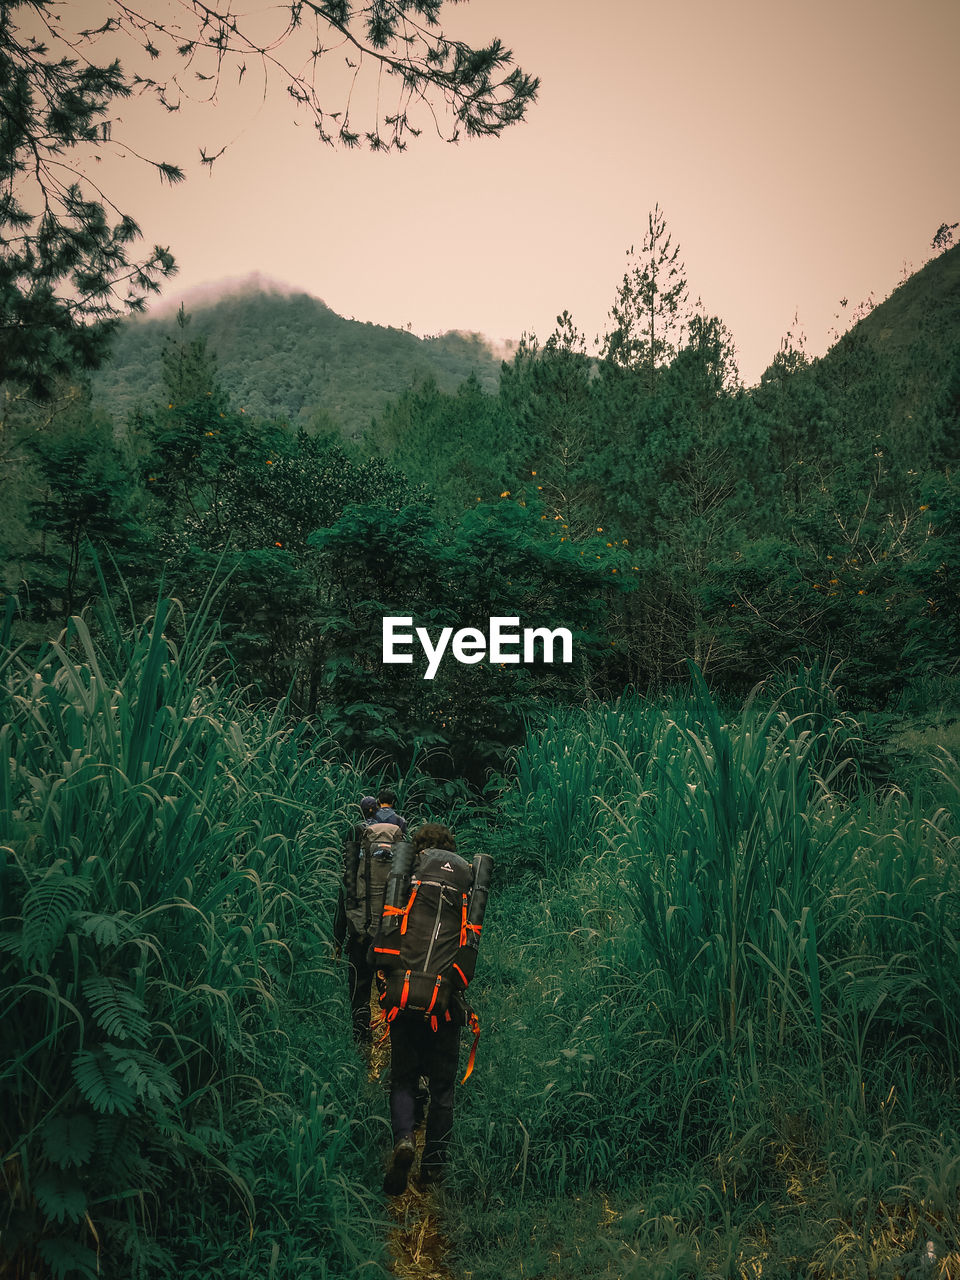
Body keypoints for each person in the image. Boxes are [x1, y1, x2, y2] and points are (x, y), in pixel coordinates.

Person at [380, 822, 473, 1195]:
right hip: (444, 1004)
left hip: (404, 994)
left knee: (403, 1077)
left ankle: (404, 1137)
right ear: (450, 847)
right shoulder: (464, 883)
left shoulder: (409, 876)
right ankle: (433, 1168)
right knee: (443, 1088)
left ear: (418, 849)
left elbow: (387, 928)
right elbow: (468, 945)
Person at [333, 796, 400, 1048]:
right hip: (393, 938)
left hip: (360, 936)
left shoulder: (356, 861)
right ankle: (394, 1041)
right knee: (394, 991)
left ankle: (361, 1044)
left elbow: (345, 898)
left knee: (359, 992)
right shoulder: (402, 861)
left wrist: (337, 939)